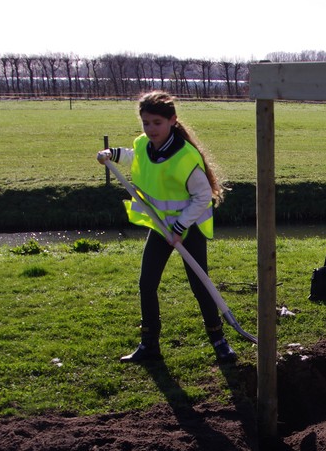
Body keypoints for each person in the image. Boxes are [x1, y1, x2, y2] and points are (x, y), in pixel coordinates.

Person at [96, 90, 236, 364]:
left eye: (157, 123)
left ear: (172, 120)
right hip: (161, 226)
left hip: (189, 227)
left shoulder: (185, 156)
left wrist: (180, 227)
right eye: (146, 123)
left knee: (200, 284)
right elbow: (135, 156)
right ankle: (149, 344)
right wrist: (111, 154)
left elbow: (203, 196)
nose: (151, 129)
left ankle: (219, 339)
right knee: (147, 283)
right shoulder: (144, 144)